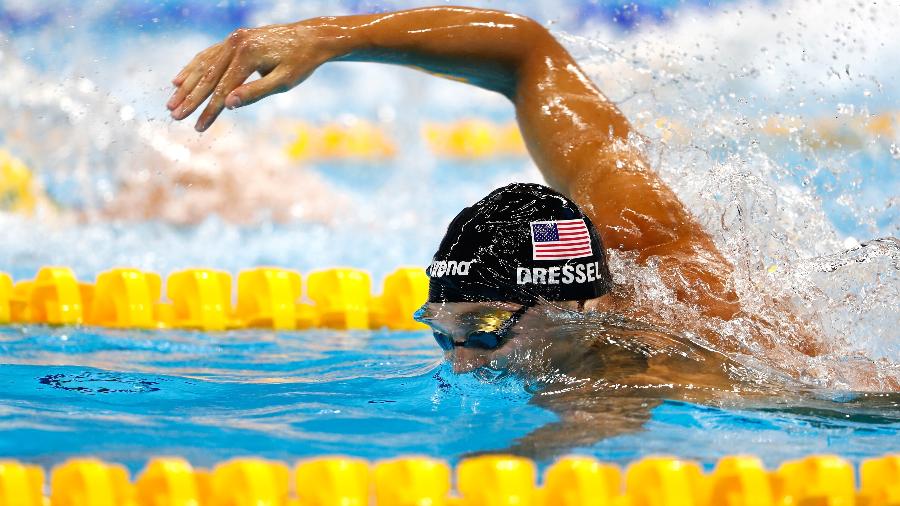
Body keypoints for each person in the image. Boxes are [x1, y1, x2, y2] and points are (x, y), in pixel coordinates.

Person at [168, 6, 878, 456]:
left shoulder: (620, 374)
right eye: (442, 329)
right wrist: (329, 35)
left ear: (570, 306)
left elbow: (582, 441)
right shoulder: (637, 224)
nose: (460, 362)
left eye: (483, 328)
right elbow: (528, 51)